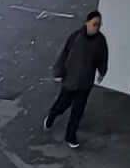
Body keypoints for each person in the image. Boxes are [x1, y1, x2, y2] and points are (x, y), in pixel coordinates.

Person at [46, 9, 108, 145]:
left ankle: (70, 136)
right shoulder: (75, 37)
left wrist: (102, 72)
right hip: (70, 80)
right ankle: (52, 115)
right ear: (87, 23)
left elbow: (102, 58)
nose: (97, 27)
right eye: (95, 24)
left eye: (99, 25)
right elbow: (64, 55)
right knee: (63, 104)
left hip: (85, 83)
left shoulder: (100, 41)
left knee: (78, 110)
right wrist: (59, 73)